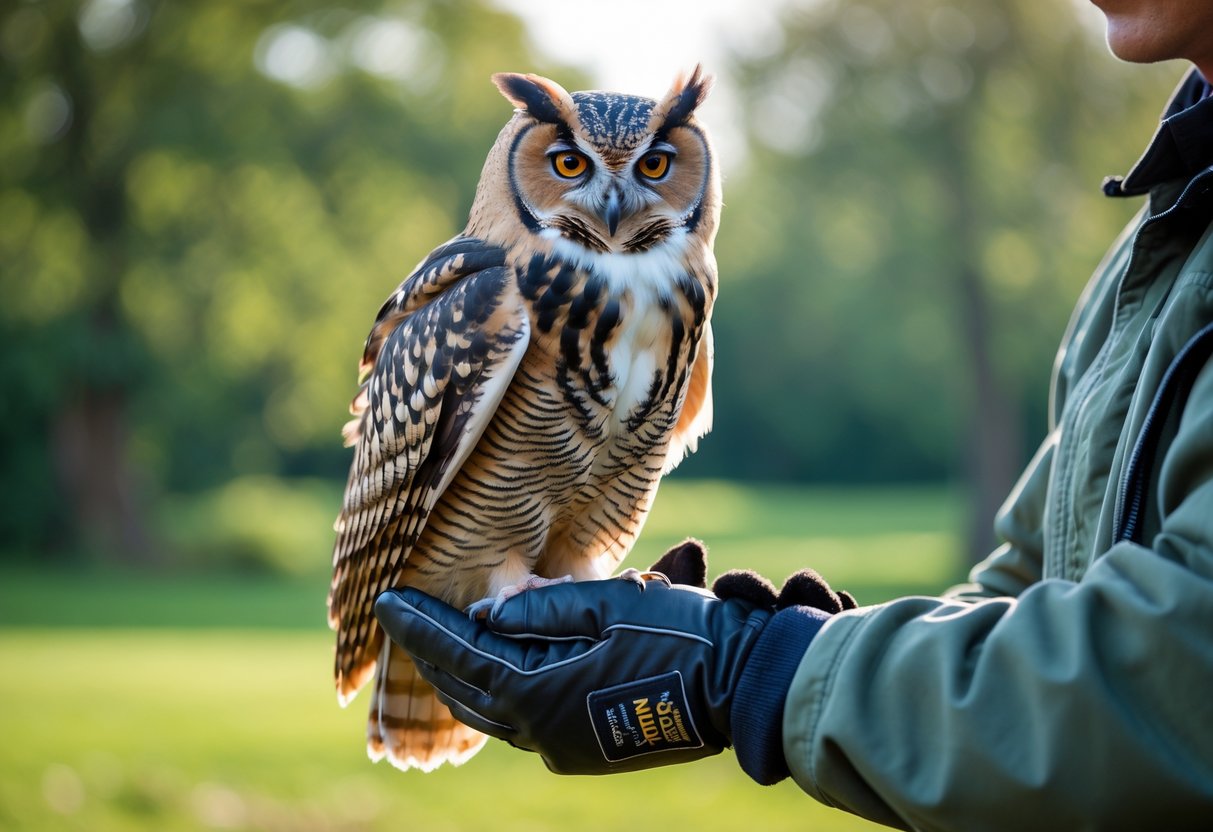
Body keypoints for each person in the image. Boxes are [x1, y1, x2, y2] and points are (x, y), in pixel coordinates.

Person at [373, 1, 1213, 827]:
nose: (616, 204)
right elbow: (1040, 582)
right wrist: (795, 648)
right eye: (568, 169)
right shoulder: (1166, 230)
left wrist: (759, 669)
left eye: (656, 171)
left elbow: (1178, 673)